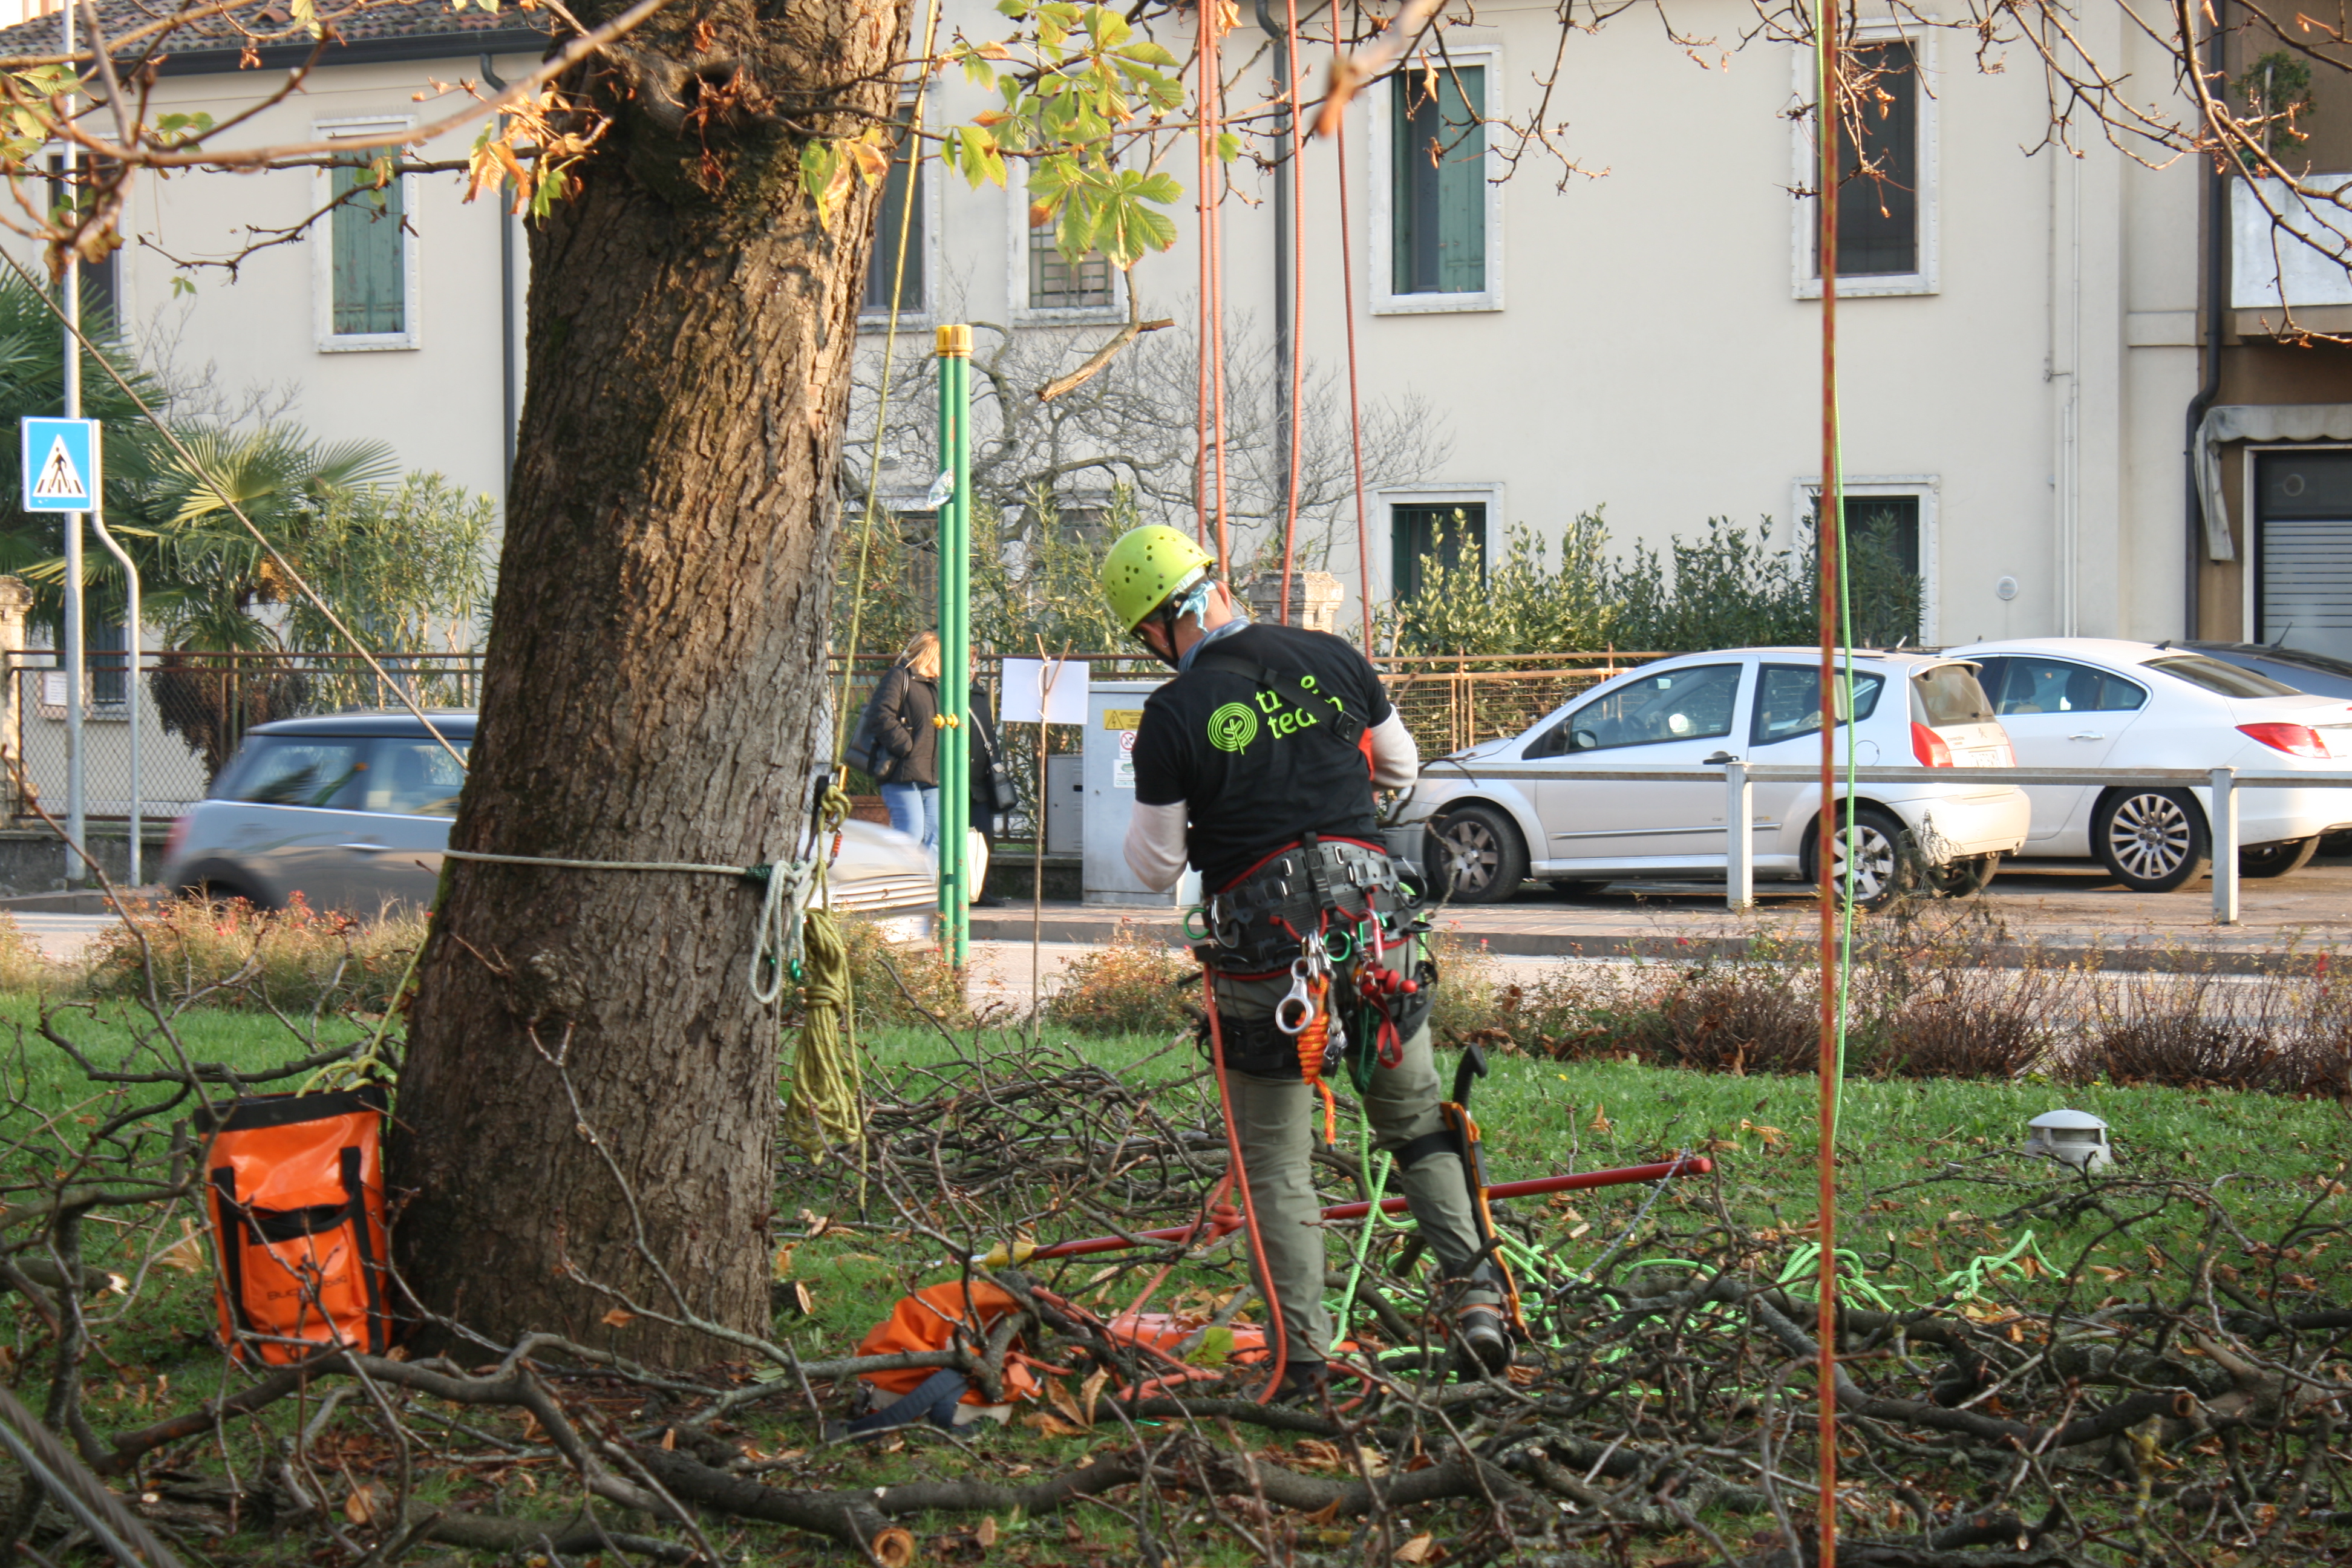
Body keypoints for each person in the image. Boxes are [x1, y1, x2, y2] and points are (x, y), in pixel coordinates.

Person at [1103, 524, 1511, 1400]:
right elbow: (1399, 769)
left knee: (1276, 1166)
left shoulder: (1175, 714)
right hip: (1376, 931)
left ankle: (1303, 1365)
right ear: (1215, 587)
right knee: (1418, 1125)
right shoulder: (1332, 655)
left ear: (1154, 628)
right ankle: (1480, 1301)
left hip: (1269, 956)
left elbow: (1155, 864)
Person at [869, 632, 941, 855]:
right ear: (930, 655)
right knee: (911, 834)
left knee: (935, 836)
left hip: (932, 774)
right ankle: (896, 885)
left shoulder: (936, 686)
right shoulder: (900, 676)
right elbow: (880, 715)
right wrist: (906, 747)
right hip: (902, 771)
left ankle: (928, 889)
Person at [967, 687, 1011, 907]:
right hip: (949, 780)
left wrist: (996, 765)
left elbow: (989, 736)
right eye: (969, 664)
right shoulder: (939, 691)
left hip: (979, 782)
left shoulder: (979, 697)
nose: (971, 671)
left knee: (982, 838)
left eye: (974, 665)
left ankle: (981, 889)